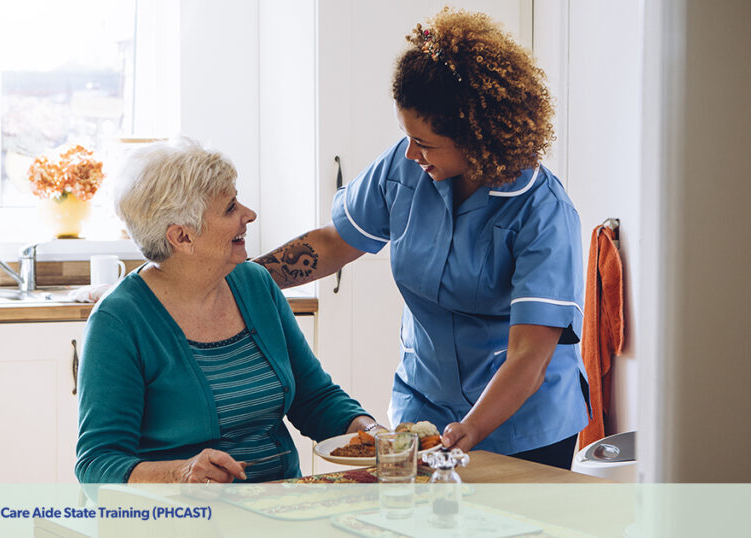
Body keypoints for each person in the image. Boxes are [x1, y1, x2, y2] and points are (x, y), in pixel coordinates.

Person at [254, 8, 588, 469]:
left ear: (476, 136)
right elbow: (333, 244)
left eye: (426, 142)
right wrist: (243, 278)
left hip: (522, 425)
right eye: (406, 136)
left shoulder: (542, 212)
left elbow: (530, 355)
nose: (411, 152)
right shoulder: (406, 165)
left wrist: (471, 429)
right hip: (424, 409)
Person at [75, 137, 380, 484]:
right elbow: (97, 465)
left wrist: (369, 431)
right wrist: (182, 473)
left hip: (279, 505)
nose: (249, 215)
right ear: (182, 237)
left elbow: (314, 399)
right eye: (231, 208)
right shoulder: (119, 321)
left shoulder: (255, 284)